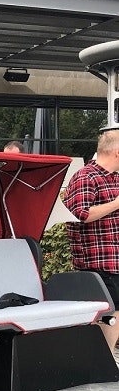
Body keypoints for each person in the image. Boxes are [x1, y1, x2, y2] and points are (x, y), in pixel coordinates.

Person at [63, 129, 119, 350]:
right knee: (107, 312)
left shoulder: (115, 178)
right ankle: (102, 363)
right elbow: (79, 214)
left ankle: (106, 363)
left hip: (114, 260)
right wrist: (116, 203)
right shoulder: (86, 177)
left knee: (115, 312)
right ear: (116, 152)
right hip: (98, 263)